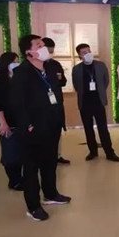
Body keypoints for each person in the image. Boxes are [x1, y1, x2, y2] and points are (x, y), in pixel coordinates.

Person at [11, 35, 71, 222]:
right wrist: (27, 124)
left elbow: (56, 93)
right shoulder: (22, 72)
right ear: (29, 52)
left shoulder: (50, 68)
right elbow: (17, 103)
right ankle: (33, 206)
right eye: (39, 45)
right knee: (31, 167)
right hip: (34, 127)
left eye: (43, 44)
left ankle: (51, 193)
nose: (44, 47)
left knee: (50, 161)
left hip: (52, 123)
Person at [72, 43, 119, 162]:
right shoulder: (76, 69)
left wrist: (100, 92)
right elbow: (76, 85)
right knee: (88, 129)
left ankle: (109, 152)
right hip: (84, 103)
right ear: (79, 56)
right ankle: (92, 151)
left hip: (98, 102)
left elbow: (106, 81)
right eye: (84, 52)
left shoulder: (100, 66)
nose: (88, 54)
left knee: (103, 128)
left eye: (89, 51)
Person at [0, 52, 23, 190]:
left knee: (21, 153)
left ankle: (20, 178)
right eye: (14, 61)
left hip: (22, 121)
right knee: (10, 155)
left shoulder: (20, 79)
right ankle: (14, 180)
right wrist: (3, 123)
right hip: (8, 121)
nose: (17, 63)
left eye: (18, 61)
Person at [42, 37, 70, 165]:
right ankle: (46, 157)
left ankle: (57, 155)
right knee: (45, 131)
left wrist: (60, 78)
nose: (50, 54)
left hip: (56, 102)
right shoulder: (37, 66)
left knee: (57, 128)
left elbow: (63, 82)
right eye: (48, 51)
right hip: (43, 104)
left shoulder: (55, 64)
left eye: (52, 51)